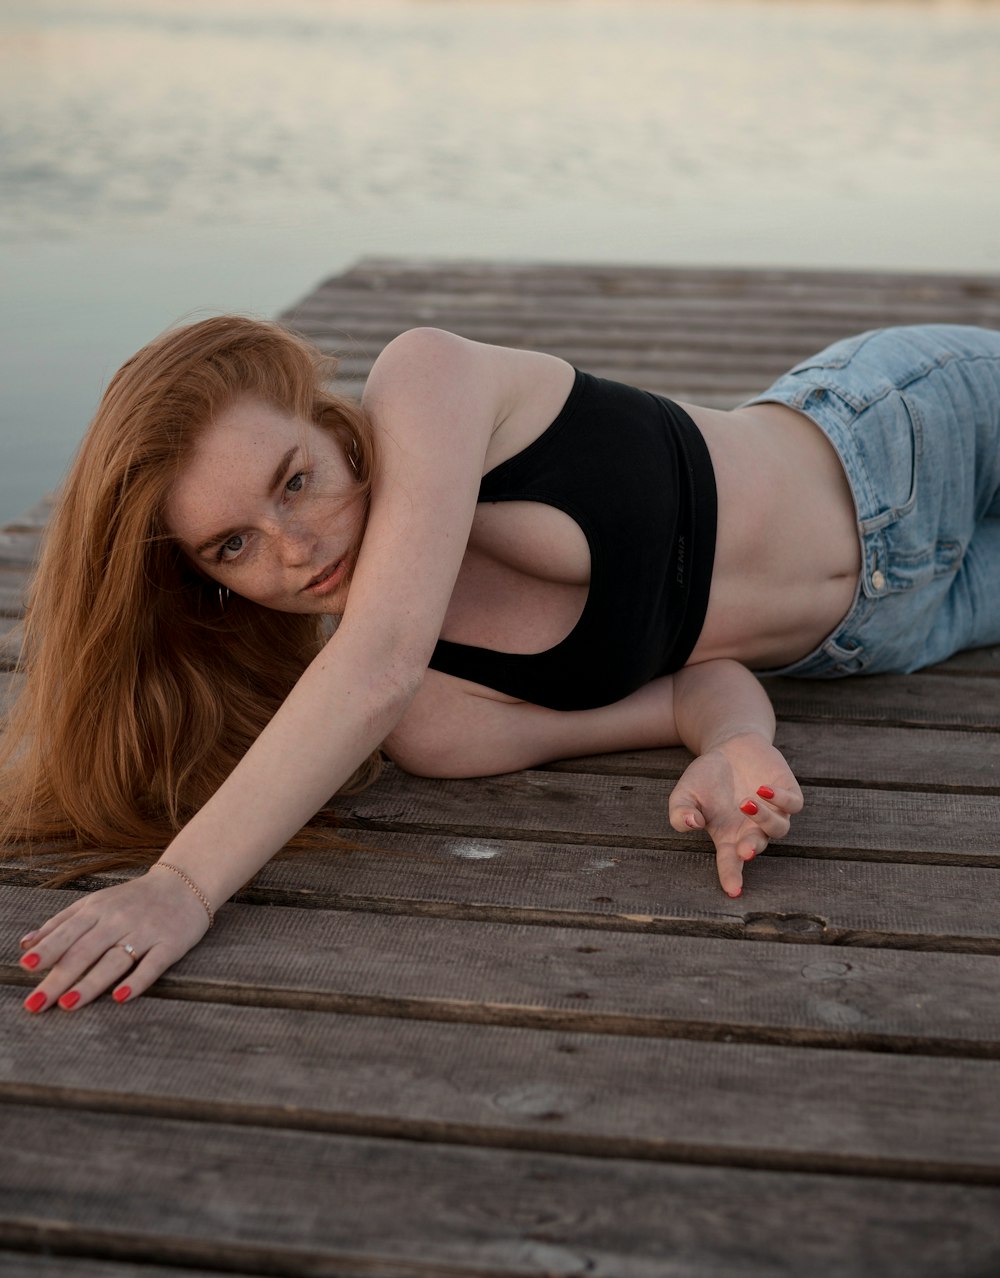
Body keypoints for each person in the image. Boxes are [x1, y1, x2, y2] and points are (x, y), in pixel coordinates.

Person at [6, 318, 1000, 1014]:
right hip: (891, 632)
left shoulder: (431, 381)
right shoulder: (436, 718)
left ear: (335, 429)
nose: (296, 546)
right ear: (209, 588)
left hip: (905, 436)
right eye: (234, 546)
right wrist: (734, 745)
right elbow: (698, 683)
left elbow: (374, 662)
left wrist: (183, 883)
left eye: (296, 480)